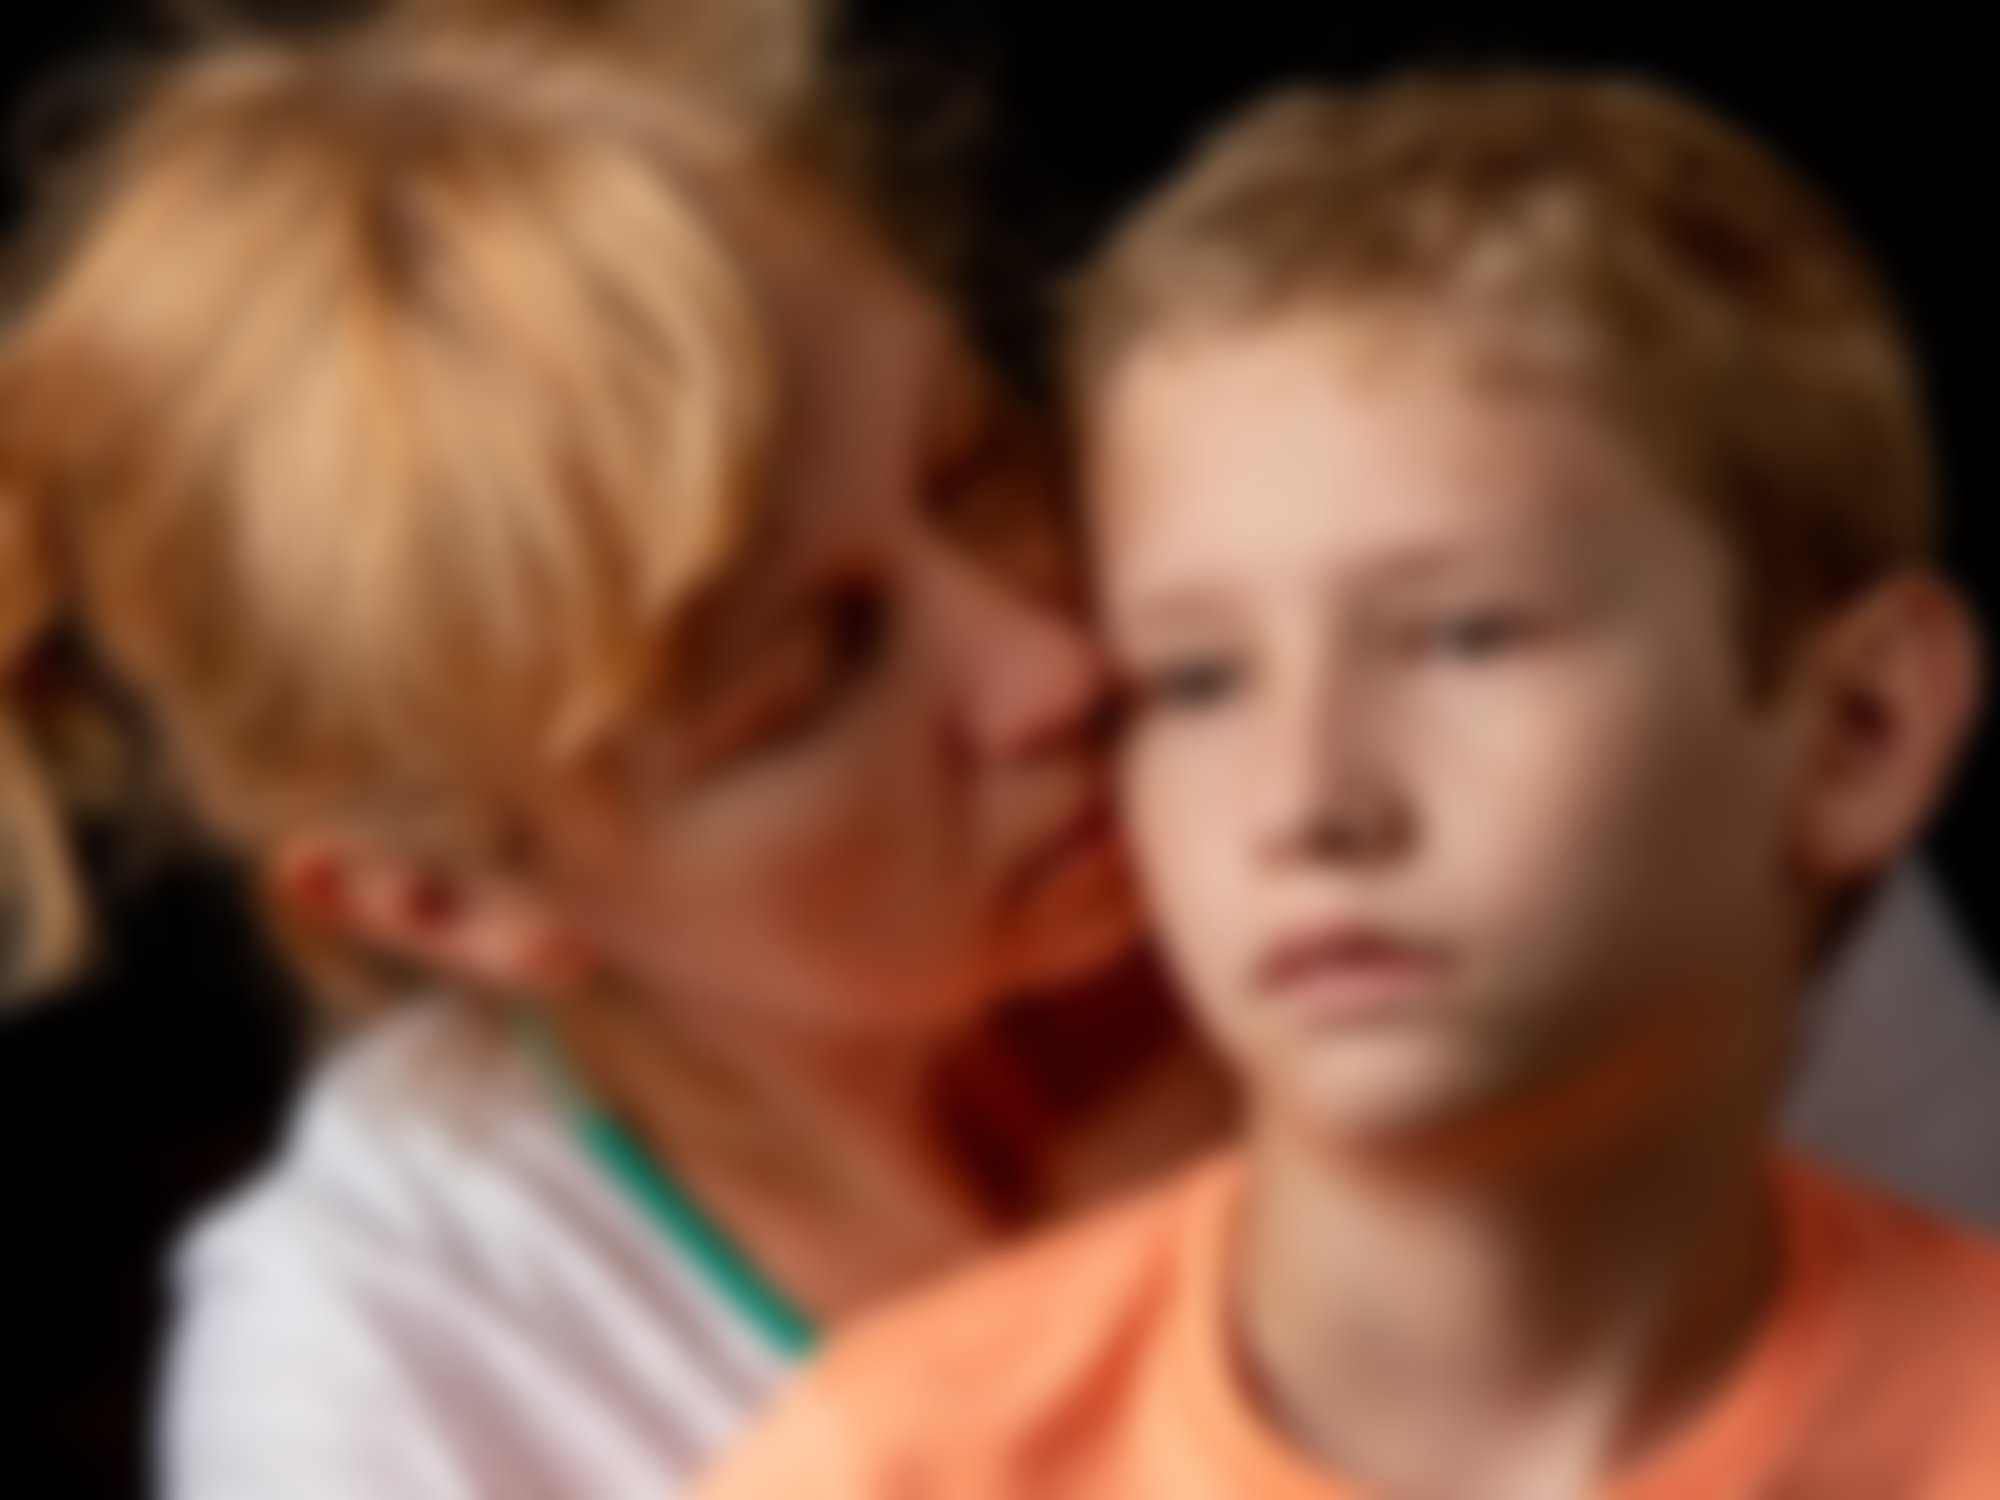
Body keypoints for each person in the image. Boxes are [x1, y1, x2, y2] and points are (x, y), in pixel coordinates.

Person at [695, 71, 2000, 1500]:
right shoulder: (896, 1472)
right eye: (1196, 680)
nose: (1306, 804)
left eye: (1467, 637)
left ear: (1859, 732)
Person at [0, 10, 1230, 1496]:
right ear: (448, 904)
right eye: (802, 686)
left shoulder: (1325, 790)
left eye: (971, 469)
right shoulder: (386, 1380)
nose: (1056, 669)